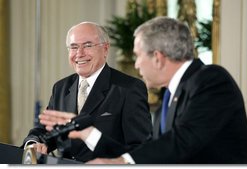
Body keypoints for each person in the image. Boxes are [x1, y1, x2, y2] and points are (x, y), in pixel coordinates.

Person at [71, 16, 247, 164]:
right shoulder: (170, 94)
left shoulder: (212, 80)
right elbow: (148, 151)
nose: (136, 64)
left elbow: (182, 142)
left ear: (157, 58)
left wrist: (121, 162)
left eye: (138, 55)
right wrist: (90, 135)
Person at [22, 21, 153, 162]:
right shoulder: (61, 87)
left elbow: (141, 148)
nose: (79, 53)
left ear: (105, 49)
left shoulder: (129, 88)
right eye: (74, 47)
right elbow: (45, 130)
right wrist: (34, 143)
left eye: (88, 45)